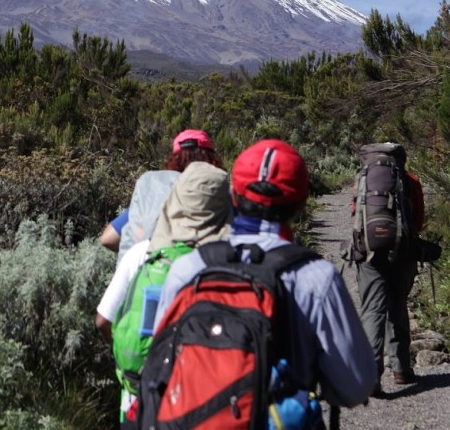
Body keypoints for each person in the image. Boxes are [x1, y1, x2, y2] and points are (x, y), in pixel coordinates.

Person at [153, 139, 376, 411]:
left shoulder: (188, 268)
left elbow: (159, 362)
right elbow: (354, 386)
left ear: (233, 197)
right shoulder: (316, 277)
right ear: (301, 204)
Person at [94, 160, 233, 418]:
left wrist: (126, 360)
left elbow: (103, 320)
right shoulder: (227, 265)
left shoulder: (141, 253)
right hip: (199, 402)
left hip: (139, 398)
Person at [356, 170, 426, 395]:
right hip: (403, 251)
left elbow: (355, 216)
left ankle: (370, 375)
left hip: (370, 253)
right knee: (398, 304)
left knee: (372, 310)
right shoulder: (411, 179)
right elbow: (419, 220)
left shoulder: (364, 178)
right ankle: (401, 369)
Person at [117, 129, 223, 263]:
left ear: (174, 158)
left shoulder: (151, 187)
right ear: (211, 159)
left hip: (143, 270)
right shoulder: (218, 191)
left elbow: (108, 238)